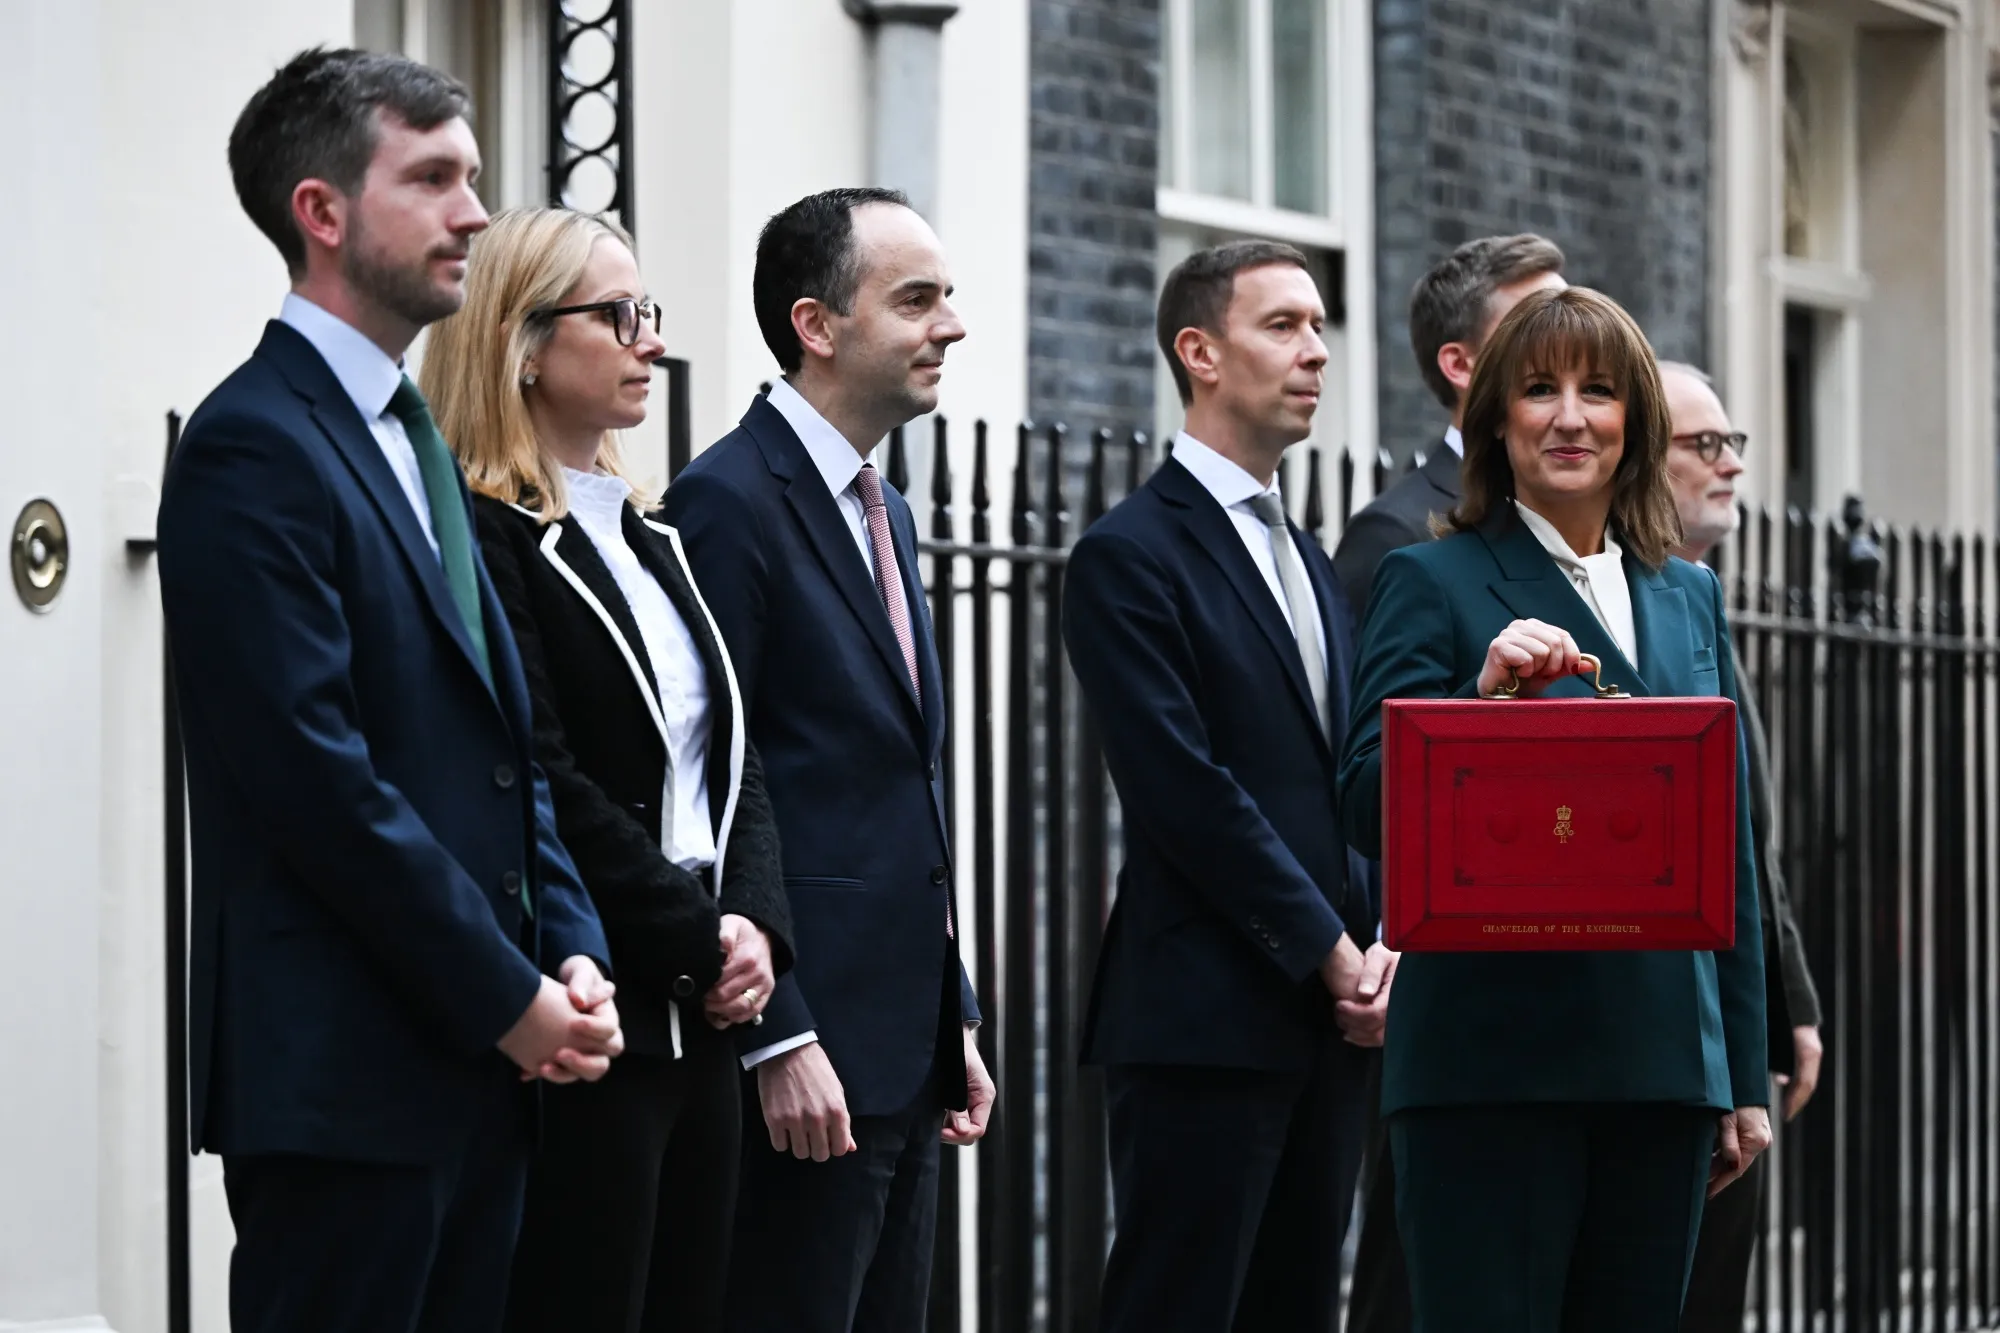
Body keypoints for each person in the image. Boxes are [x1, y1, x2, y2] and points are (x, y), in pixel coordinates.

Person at [155, 49, 620, 1333]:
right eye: (434, 178)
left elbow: (506, 741)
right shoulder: (254, 444)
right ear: (322, 211)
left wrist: (571, 947)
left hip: (480, 1064)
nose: (475, 211)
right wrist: (507, 995)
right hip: (343, 1081)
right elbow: (314, 779)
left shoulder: (417, 443)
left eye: (471, 176)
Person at [1336, 287, 1773, 1332]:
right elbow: (1360, 806)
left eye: (1597, 391)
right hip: (1487, 1071)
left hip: (1659, 1067)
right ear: (1495, 418)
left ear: (1636, 423)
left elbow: (1729, 850)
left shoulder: (1685, 594)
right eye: (1538, 390)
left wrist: (1739, 1072)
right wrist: (1472, 705)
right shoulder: (1428, 580)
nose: (1568, 416)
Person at [420, 206, 796, 1333]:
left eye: (651, 315)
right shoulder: (482, 535)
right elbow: (539, 770)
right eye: (619, 315)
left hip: (707, 1014)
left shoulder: (654, 535)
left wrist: (758, 925)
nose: (649, 342)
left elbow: (735, 762)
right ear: (522, 344)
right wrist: (692, 930)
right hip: (594, 1011)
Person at [659, 187, 994, 1333]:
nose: (948, 324)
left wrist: (949, 1010)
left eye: (946, 297)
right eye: (915, 299)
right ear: (816, 324)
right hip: (805, 1053)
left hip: (903, 1047)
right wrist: (777, 1032)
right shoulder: (723, 500)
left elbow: (900, 788)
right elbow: (714, 786)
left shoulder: (886, 512)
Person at [1061, 240, 1377, 1332]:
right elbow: (1180, 786)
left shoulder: (1311, 557)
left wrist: (1376, 946)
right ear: (1198, 351)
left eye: (1319, 326)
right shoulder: (1127, 554)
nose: (1316, 352)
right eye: (1283, 325)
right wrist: (1331, 949)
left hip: (1330, 1026)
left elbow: (1346, 776)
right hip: (1203, 1021)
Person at [1335, 234, 1567, 1333]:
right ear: (1467, 368)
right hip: (1446, 966)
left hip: (1578, 959)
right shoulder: (1400, 532)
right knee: (1423, 1272)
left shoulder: (1598, 537)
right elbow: (1361, 762)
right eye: (1540, 329)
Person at [1658, 362, 1824, 1333]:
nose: (1727, 465)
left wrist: (1785, 1000)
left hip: (1731, 1020)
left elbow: (1745, 838)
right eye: (1701, 444)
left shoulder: (1700, 601)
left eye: (1732, 444)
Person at [1333, 234, 1566, 613]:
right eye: (1534, 331)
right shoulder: (1395, 534)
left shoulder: (1591, 515)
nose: (1571, 347)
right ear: (1459, 365)